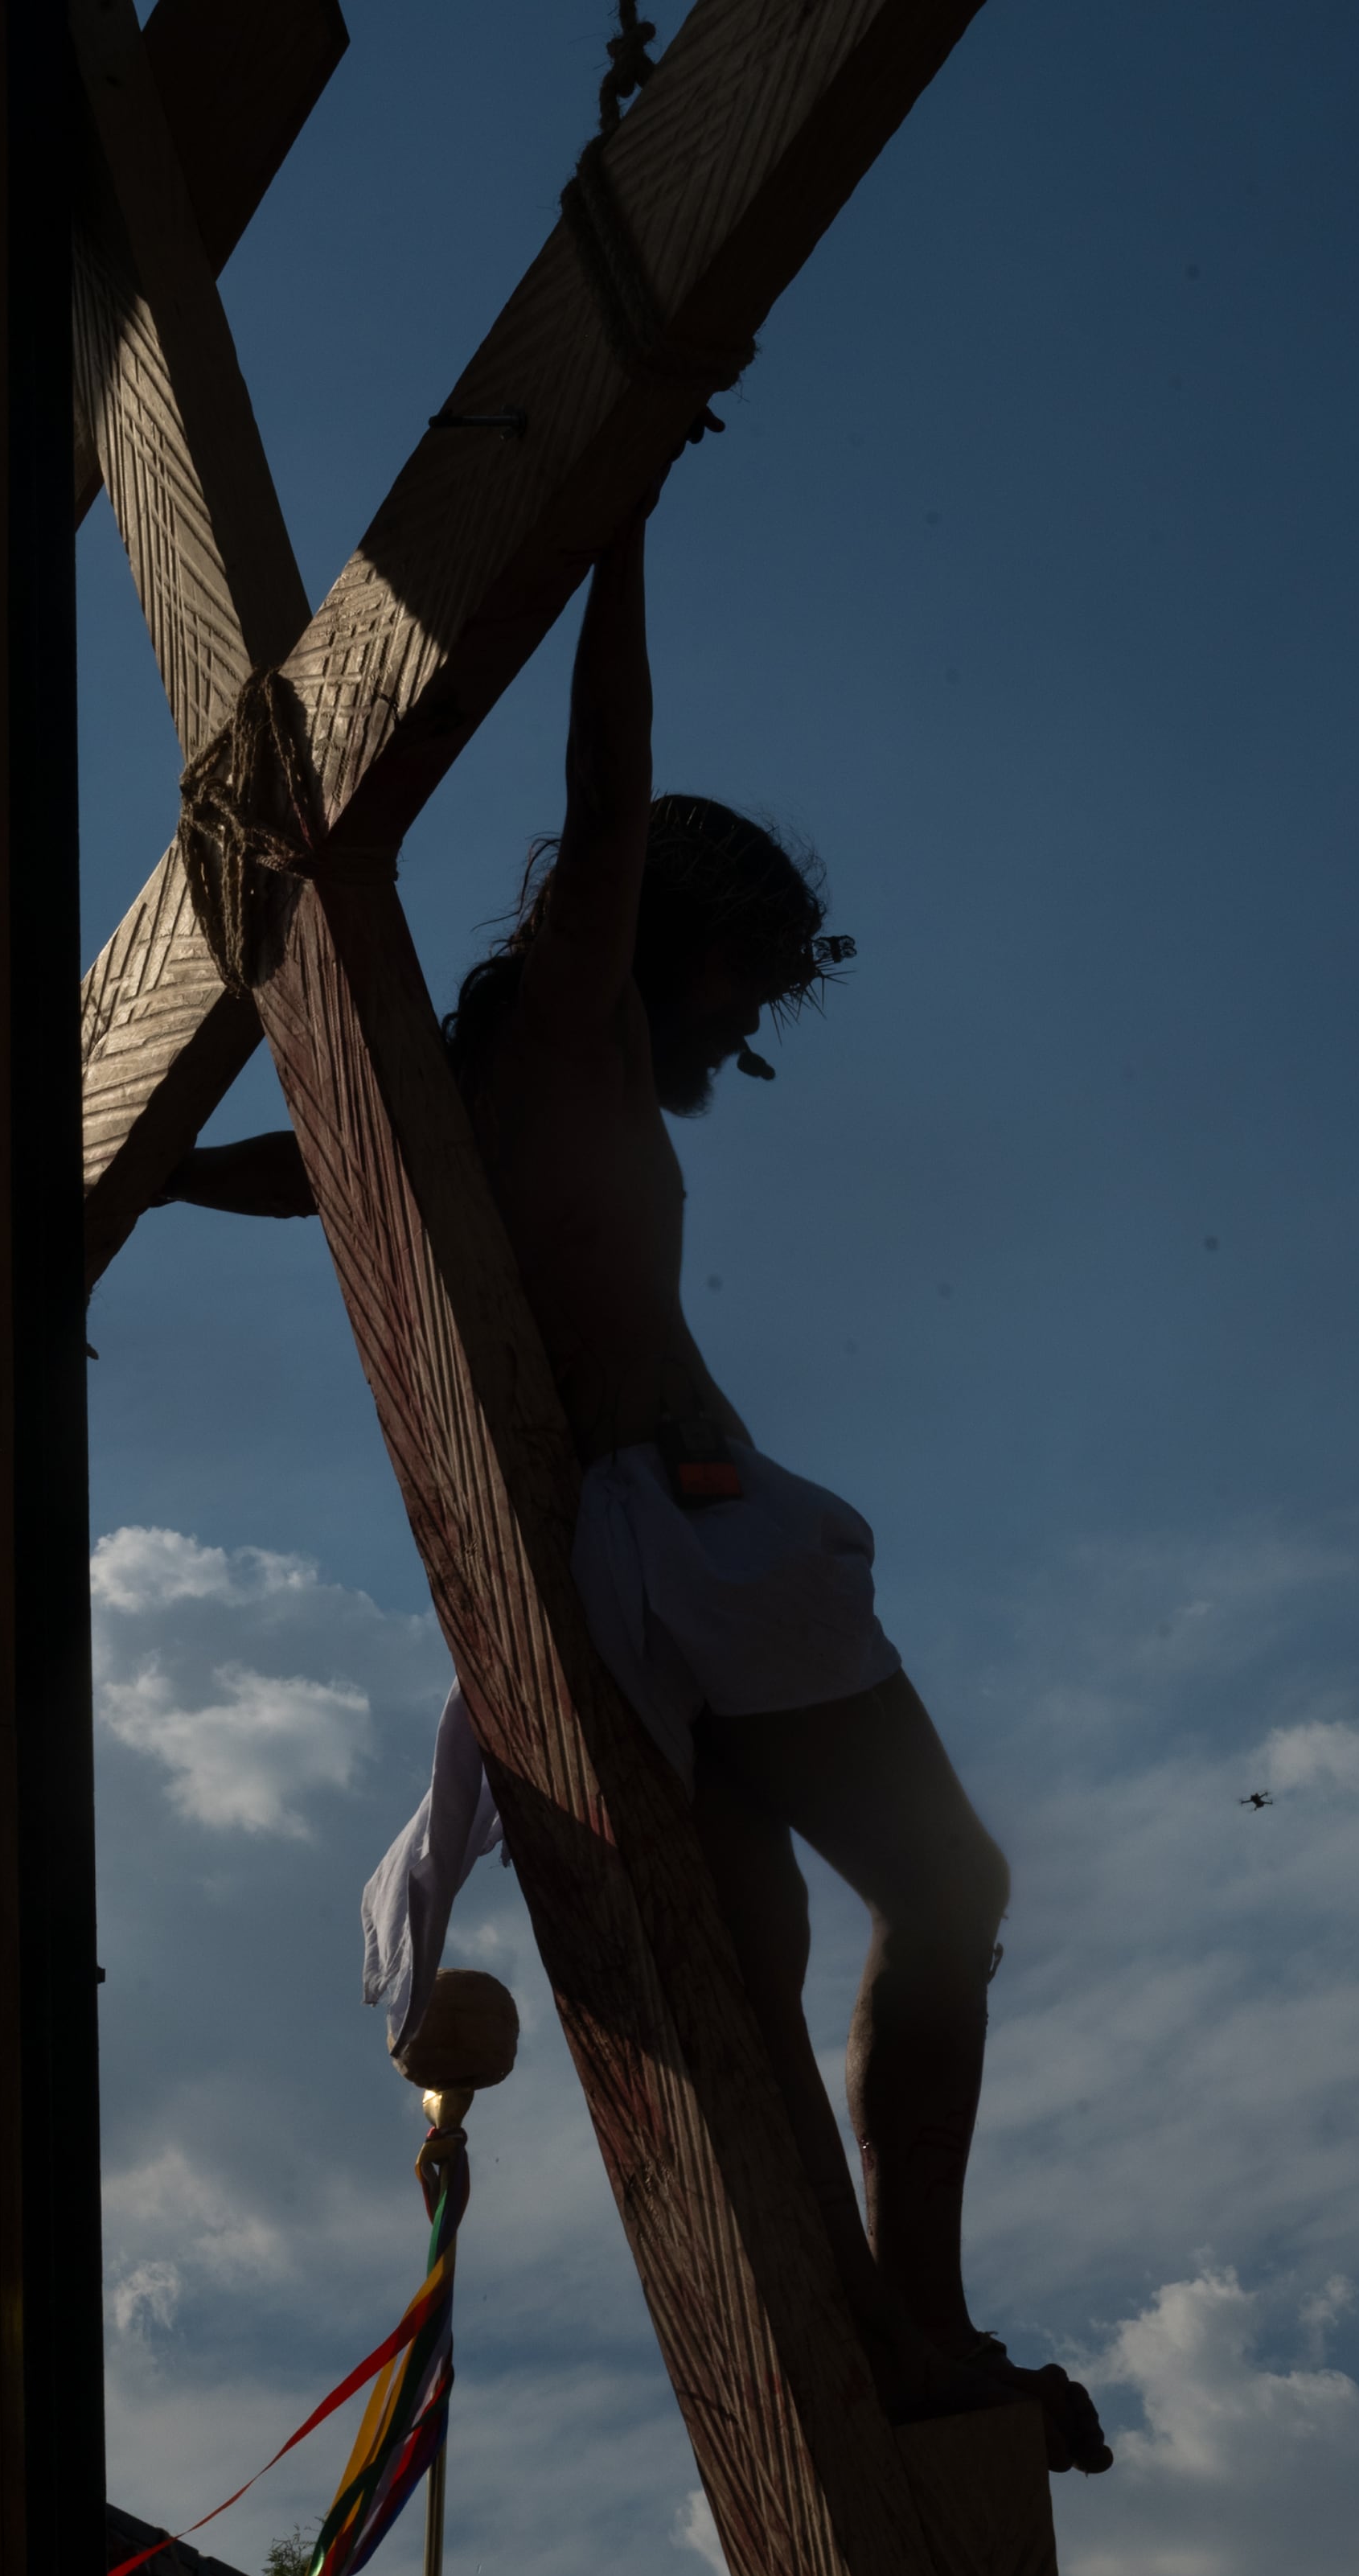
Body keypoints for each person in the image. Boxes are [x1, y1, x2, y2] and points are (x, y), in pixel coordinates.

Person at [158, 491, 1111, 2474]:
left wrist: (148, 1171)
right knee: (947, 1885)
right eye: (741, 991)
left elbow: (307, 1162)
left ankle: (880, 2330)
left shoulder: (458, 1085)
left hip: (609, 1587)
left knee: (755, 1964)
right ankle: (921, 2316)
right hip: (691, 1541)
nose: (743, 1036)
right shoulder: (572, 1017)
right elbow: (606, 806)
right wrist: (616, 527)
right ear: (670, 945)